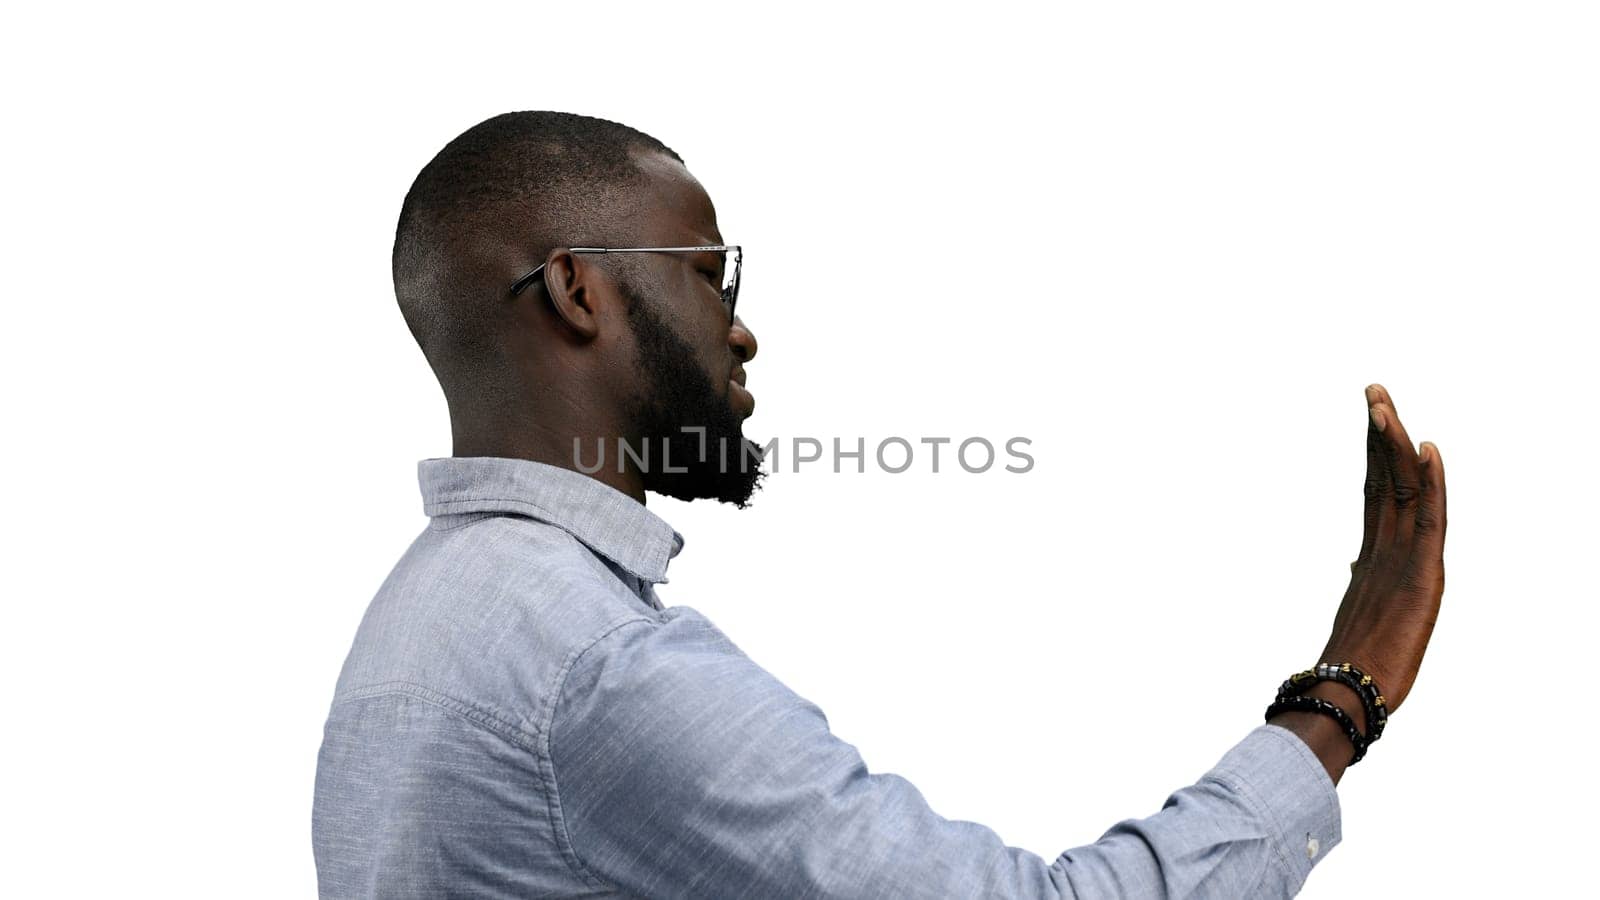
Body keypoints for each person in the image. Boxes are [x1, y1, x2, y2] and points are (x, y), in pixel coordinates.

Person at [311, 111, 1448, 898]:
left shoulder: (423, 612)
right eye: (711, 274)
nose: (741, 327)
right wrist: (1344, 688)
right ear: (575, 288)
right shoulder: (595, 665)